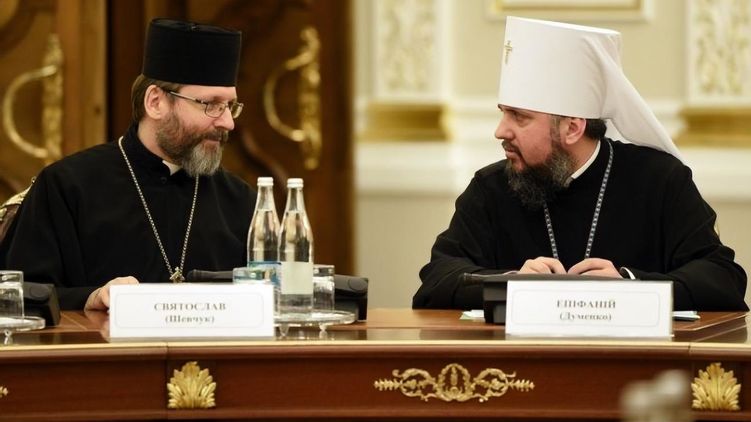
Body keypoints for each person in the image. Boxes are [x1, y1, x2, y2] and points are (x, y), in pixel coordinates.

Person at [413, 17, 748, 311]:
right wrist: (510, 282)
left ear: (572, 128)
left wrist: (630, 285)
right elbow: (436, 280)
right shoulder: (492, 188)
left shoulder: (659, 181)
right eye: (503, 112)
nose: (501, 130)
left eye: (519, 117)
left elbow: (722, 278)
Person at [0, 18, 255, 310]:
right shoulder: (68, 186)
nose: (228, 122)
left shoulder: (241, 200)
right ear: (156, 102)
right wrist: (92, 297)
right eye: (211, 104)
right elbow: (14, 298)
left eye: (230, 106)